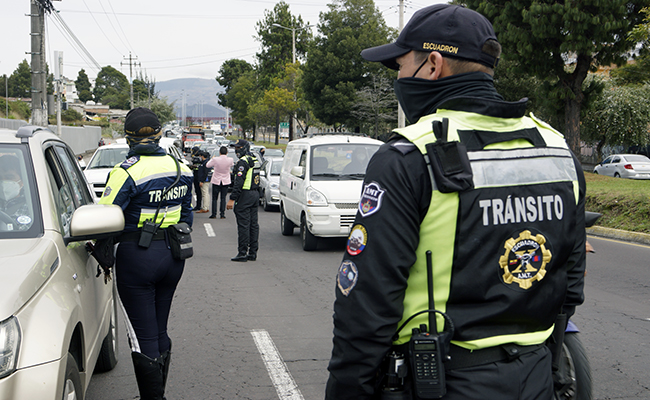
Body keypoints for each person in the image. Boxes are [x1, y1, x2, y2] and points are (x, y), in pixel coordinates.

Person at [325, 5, 587, 400]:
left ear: (433, 65)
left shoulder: (410, 155)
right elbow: (570, 279)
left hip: (441, 383)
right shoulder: (555, 149)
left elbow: (367, 306)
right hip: (535, 378)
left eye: (400, 65)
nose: (399, 77)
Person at [98, 107, 194, 400]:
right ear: (160, 135)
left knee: (142, 338)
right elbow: (187, 216)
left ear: (127, 138)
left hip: (138, 257)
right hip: (174, 257)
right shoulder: (182, 169)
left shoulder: (125, 172)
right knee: (159, 329)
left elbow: (104, 218)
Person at [226, 139, 260, 262]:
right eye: (235, 148)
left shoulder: (243, 162)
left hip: (245, 195)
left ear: (245, 147)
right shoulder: (254, 159)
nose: (236, 150)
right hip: (255, 194)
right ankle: (252, 252)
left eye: (239, 148)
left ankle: (242, 253)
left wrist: (232, 199)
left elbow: (239, 182)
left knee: (244, 225)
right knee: (253, 225)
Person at [0, 155, 31, 231]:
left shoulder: (32, 207)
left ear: (22, 181)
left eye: (9, 177)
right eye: (0, 178)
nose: (3, 182)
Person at [206, 146, 234, 219]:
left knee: (214, 198)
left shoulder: (215, 159)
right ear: (227, 153)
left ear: (219, 152)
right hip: (225, 180)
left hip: (216, 180)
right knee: (223, 198)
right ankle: (222, 214)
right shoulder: (230, 160)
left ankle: (214, 214)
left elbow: (207, 165)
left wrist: (212, 159)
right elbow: (232, 166)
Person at [190, 146, 203, 211]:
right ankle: (198, 205)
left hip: (199, 175)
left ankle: (199, 205)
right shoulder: (194, 157)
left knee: (199, 191)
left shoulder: (201, 157)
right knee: (197, 190)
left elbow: (201, 166)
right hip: (195, 174)